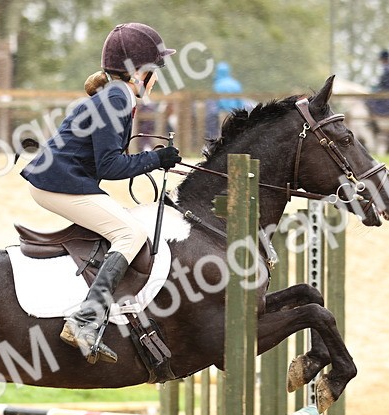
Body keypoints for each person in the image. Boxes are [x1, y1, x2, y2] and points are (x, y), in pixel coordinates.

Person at [20, 23, 180, 365]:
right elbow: (110, 167)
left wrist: (156, 160)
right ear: (140, 72)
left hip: (60, 181)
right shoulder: (117, 97)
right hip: (57, 184)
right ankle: (85, 319)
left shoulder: (114, 94)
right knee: (130, 232)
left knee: (125, 224)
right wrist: (156, 159)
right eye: (155, 70)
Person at [207, 60, 247, 139]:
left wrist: (223, 109)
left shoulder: (218, 84)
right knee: (236, 134)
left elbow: (218, 100)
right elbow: (239, 100)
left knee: (222, 135)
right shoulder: (235, 83)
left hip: (223, 113)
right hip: (235, 112)